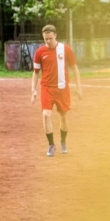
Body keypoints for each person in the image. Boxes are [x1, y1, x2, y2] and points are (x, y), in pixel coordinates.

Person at [31, 24, 83, 157]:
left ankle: (63, 142)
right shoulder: (39, 52)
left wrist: (79, 87)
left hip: (62, 89)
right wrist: (33, 89)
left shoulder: (65, 49)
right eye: (45, 39)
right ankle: (51, 145)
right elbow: (36, 72)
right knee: (46, 115)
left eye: (50, 38)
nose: (47, 41)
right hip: (47, 89)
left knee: (63, 117)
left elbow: (74, 67)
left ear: (55, 35)